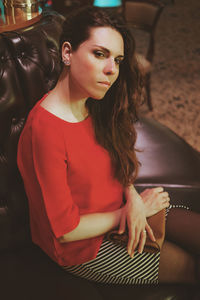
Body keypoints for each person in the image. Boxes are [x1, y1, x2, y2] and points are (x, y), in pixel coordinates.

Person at [17, 6, 200, 285]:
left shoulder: (93, 103)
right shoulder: (45, 130)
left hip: (124, 209)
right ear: (67, 53)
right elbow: (65, 231)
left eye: (118, 59)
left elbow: (115, 162)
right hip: (83, 247)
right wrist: (125, 213)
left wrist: (134, 199)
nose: (111, 70)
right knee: (190, 268)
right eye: (99, 54)